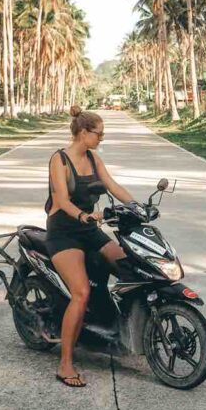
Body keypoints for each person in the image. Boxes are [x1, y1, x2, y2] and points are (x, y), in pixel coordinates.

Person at [46, 105, 136, 388]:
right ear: (83, 133)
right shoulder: (59, 160)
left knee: (130, 265)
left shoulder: (94, 158)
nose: (102, 139)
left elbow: (112, 185)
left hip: (89, 229)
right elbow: (60, 200)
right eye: (99, 134)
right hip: (64, 233)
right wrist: (84, 215)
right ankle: (65, 364)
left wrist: (136, 206)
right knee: (81, 292)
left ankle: (119, 327)